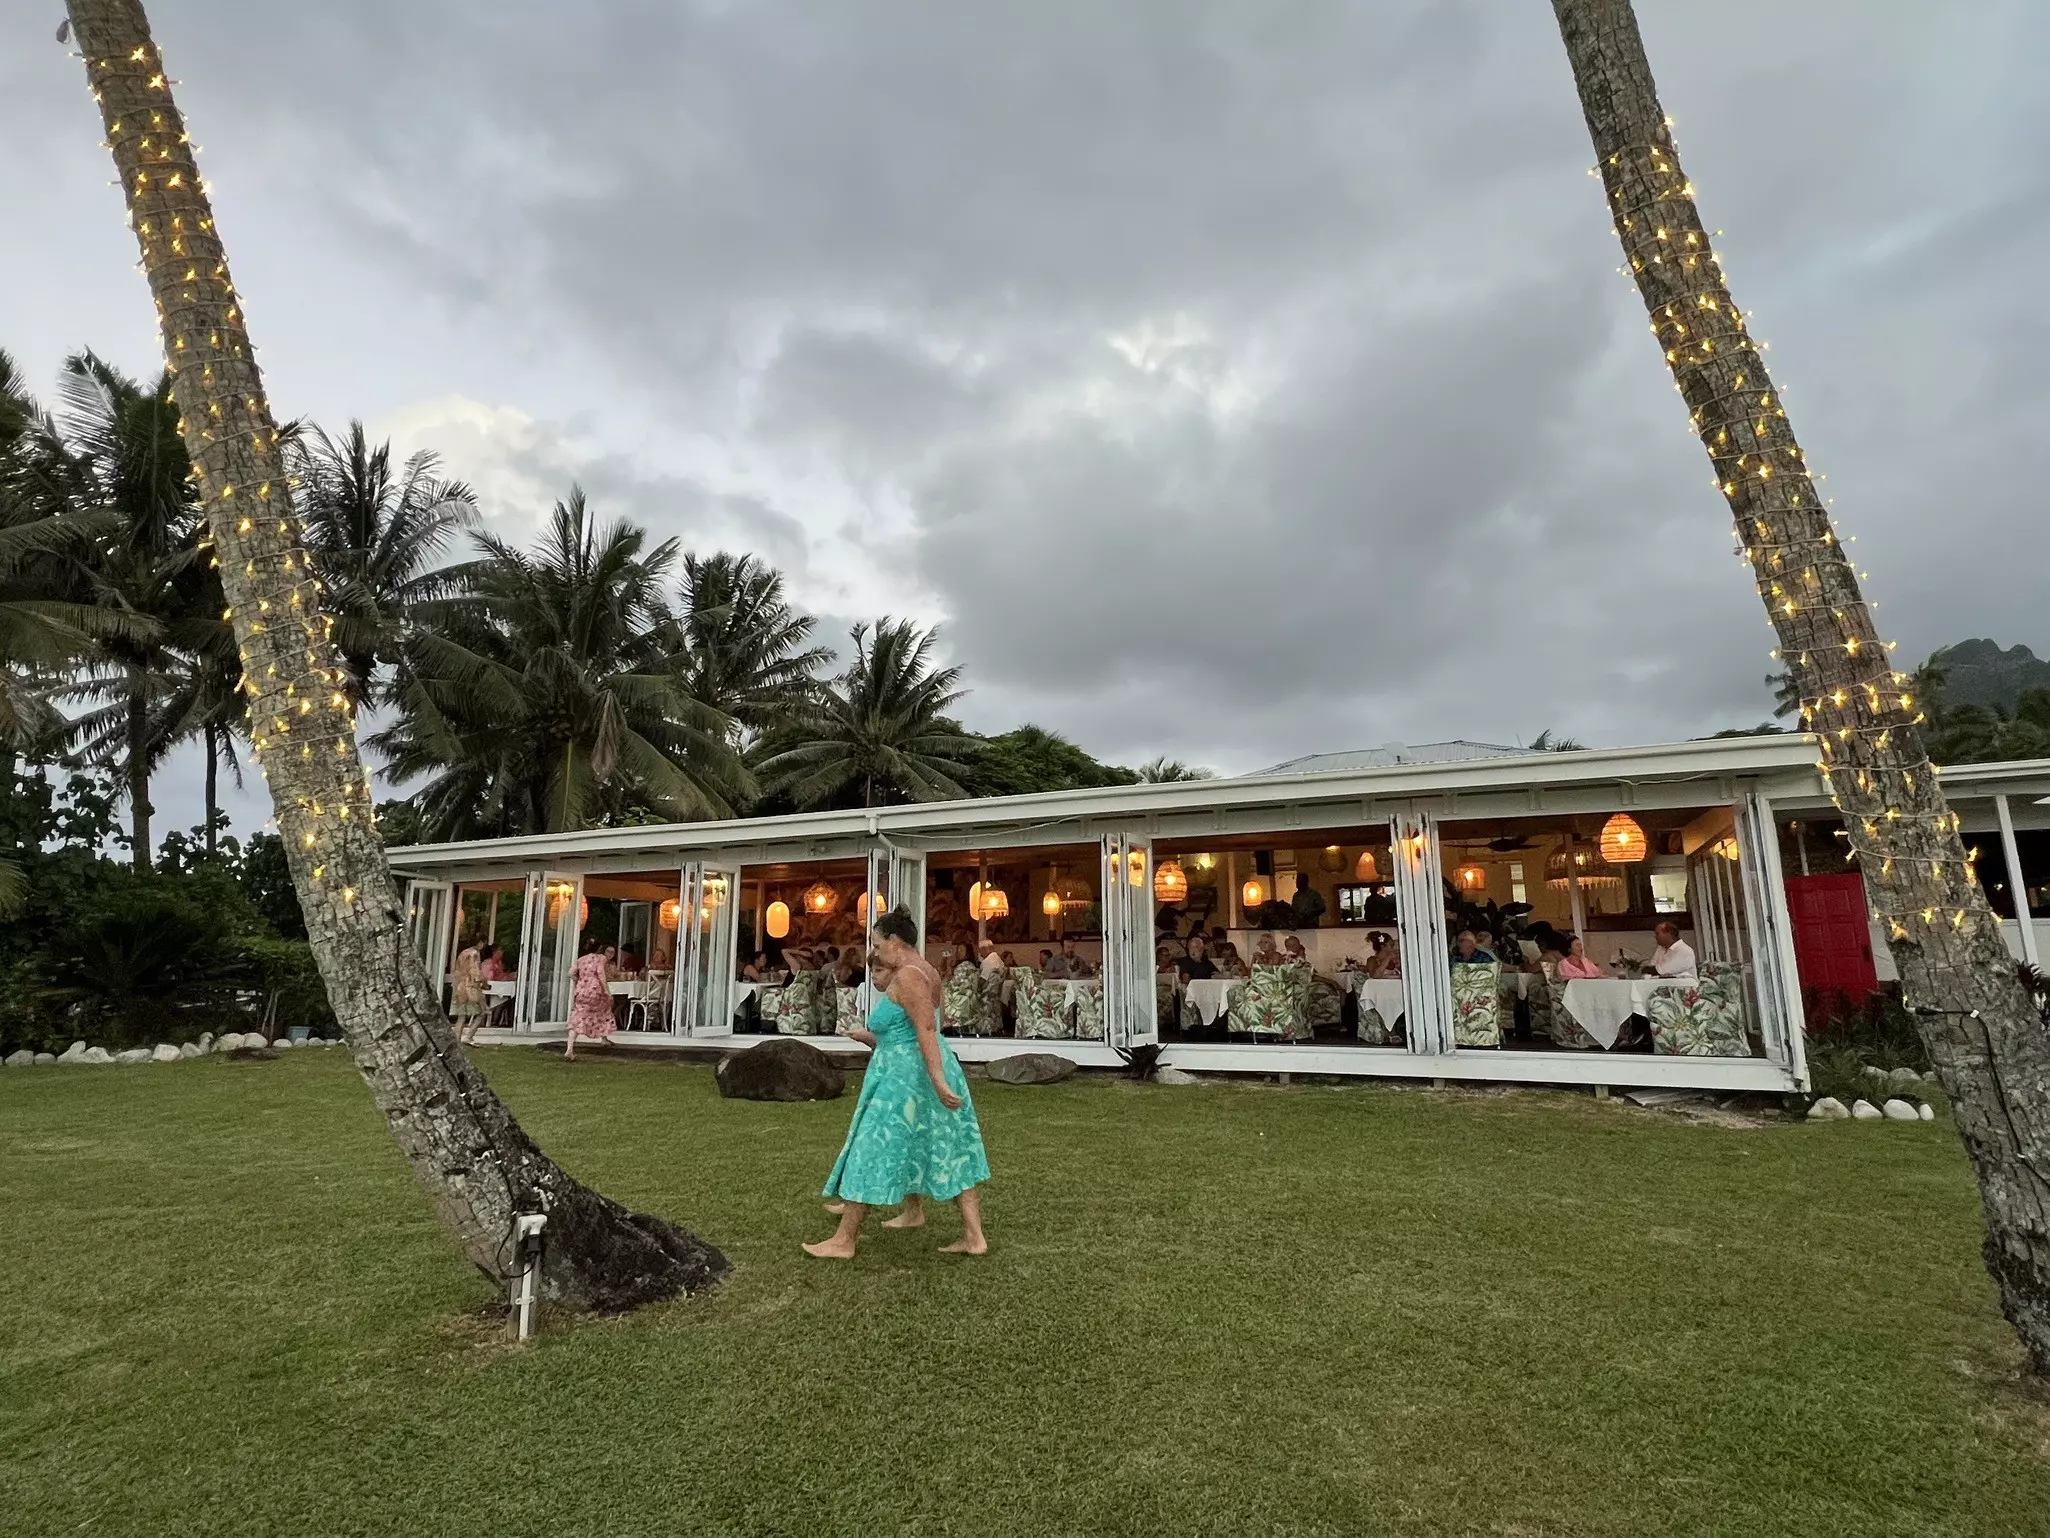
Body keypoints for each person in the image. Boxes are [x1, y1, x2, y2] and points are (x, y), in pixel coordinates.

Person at [807, 906, 990, 1260]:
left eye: (877, 942)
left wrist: (936, 1079)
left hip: (907, 1077)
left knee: (871, 1148)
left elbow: (925, 1028)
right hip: (919, 1065)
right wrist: (876, 1039)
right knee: (946, 1146)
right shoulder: (929, 971)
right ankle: (972, 1235)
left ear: (894, 940)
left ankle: (845, 1240)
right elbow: (918, 1027)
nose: (876, 950)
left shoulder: (907, 975)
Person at [564, 938, 616, 1060]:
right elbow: (601, 973)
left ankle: (569, 1048)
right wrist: (607, 991)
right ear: (599, 949)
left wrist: (580, 981)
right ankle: (604, 1038)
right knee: (605, 1011)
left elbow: (570, 973)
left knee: (578, 1017)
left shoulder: (580, 960)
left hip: (581, 991)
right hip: (595, 990)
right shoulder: (600, 958)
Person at [449, 937, 486, 1045]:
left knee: (461, 1016)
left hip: (459, 987)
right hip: (470, 988)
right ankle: (469, 1036)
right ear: (479, 943)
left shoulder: (463, 953)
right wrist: (484, 983)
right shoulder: (474, 954)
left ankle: (456, 1040)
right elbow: (475, 972)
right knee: (482, 1011)